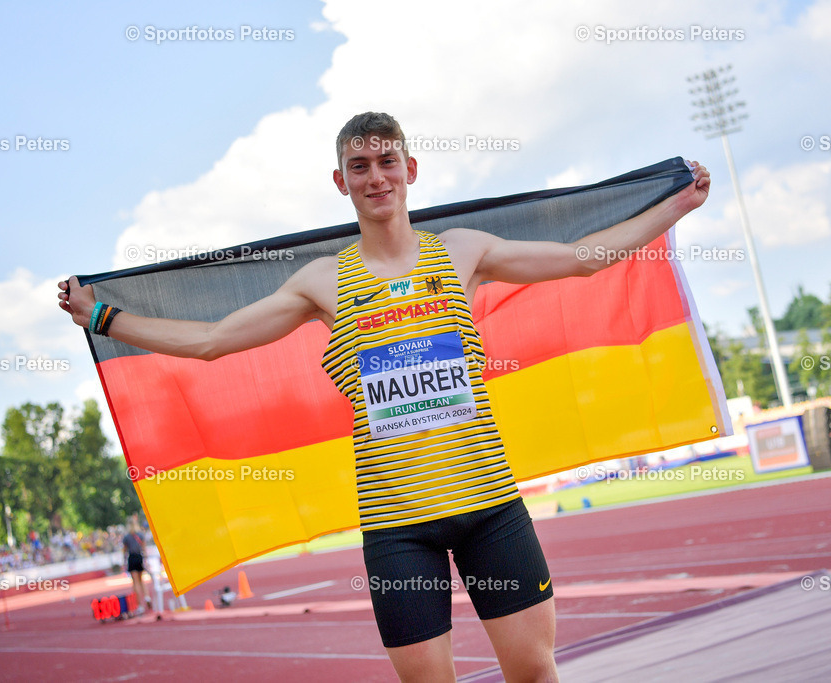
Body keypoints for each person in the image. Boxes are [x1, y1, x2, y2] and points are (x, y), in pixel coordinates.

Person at [60, 112, 709, 681]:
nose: (376, 175)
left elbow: (582, 257)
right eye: (360, 165)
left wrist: (673, 205)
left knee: (535, 671)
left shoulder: (463, 252)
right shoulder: (321, 281)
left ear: (410, 168)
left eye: (386, 160)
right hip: (400, 529)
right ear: (341, 181)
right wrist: (102, 318)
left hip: (491, 510)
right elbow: (212, 340)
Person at [122, 519, 152, 613]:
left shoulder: (127, 537)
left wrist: (124, 561)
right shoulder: (140, 535)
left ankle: (139, 605)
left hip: (132, 558)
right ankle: (147, 597)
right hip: (139, 557)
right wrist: (146, 560)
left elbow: (125, 550)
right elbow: (144, 548)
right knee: (141, 580)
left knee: (135, 583)